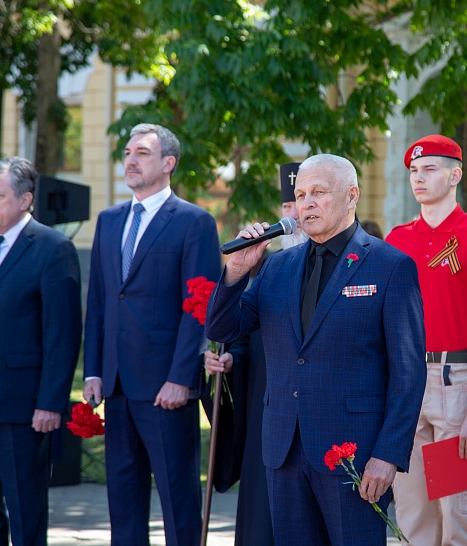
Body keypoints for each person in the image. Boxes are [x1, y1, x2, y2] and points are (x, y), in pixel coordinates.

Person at [206, 153, 426, 546]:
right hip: (284, 450)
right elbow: (223, 328)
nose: (307, 203)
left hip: (354, 455)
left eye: (319, 193)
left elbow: (408, 372)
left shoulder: (390, 265)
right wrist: (236, 271)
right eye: (300, 195)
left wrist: (388, 455)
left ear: (352, 195)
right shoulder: (278, 266)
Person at [83, 123, 221, 546]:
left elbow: (199, 306)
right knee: (123, 506)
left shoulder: (194, 222)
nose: (130, 160)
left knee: (179, 504)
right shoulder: (109, 221)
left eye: (142, 152)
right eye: (127, 152)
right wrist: (93, 371)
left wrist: (181, 377)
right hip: (116, 386)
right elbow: (100, 302)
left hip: (166, 389)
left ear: (168, 163)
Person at [386, 134, 467, 546]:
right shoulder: (396, 239)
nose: (418, 178)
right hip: (406, 383)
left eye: (429, 169)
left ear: (455, 175)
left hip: (458, 382)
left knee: (460, 522)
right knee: (412, 523)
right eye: (413, 171)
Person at [0, 157, 82, 546]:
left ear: (26, 199)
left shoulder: (53, 248)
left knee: (26, 514)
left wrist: (51, 403)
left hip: (23, 408)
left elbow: (62, 335)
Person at [204, 161, 306, 546]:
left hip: (320, 418)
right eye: (289, 205)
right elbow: (244, 334)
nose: (296, 213)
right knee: (262, 520)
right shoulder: (268, 267)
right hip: (269, 407)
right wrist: (233, 358)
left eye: (307, 200)